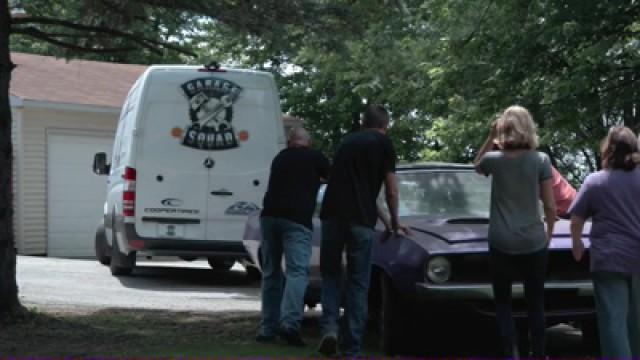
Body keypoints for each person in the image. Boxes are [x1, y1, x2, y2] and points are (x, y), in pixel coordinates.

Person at [317, 104, 408, 357]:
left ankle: (330, 329)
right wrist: (395, 220)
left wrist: (388, 220)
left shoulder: (346, 143)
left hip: (332, 216)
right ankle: (351, 347)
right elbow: (390, 189)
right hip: (360, 222)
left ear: (362, 122)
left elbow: (360, 191)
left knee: (331, 276)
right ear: (385, 125)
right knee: (358, 283)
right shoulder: (384, 144)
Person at [474, 105, 556, 358]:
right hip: (533, 241)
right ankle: (539, 354)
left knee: (503, 303)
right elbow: (551, 205)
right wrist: (549, 233)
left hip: (501, 241)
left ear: (503, 129)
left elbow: (477, 165)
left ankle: (510, 353)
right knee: (536, 304)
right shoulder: (540, 160)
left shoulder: (493, 161)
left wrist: (490, 137)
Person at [569, 126, 640, 358]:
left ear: (608, 149)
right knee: (637, 322)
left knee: (613, 322)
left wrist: (577, 244)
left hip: (608, 259)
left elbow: (576, 219)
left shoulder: (595, 181)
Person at [257, 126, 330, 346]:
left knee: (271, 273)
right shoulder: (316, 158)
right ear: (308, 142)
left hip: (269, 217)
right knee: (297, 272)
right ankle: (289, 324)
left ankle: (267, 329)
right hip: (297, 220)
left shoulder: (279, 158)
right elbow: (333, 180)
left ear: (290, 142)